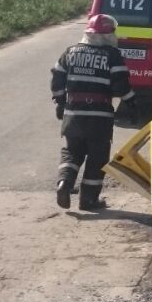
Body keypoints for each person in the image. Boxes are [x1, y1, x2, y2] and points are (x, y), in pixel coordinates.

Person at [51, 13, 135, 210]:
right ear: (108, 35)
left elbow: (57, 79)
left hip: (73, 114)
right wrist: (132, 104)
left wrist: (60, 102)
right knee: (97, 157)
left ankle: (64, 183)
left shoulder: (70, 52)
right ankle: (88, 200)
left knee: (72, 152)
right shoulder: (112, 55)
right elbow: (121, 87)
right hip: (100, 117)